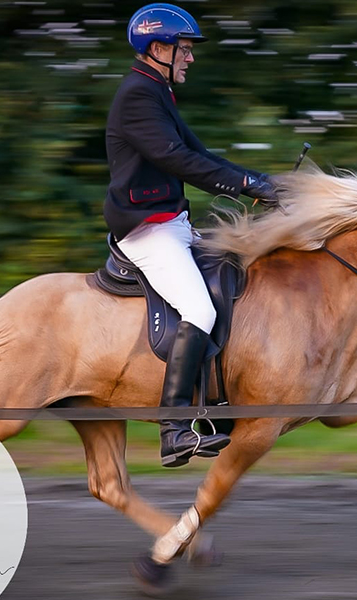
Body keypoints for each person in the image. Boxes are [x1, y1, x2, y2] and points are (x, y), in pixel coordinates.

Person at [104, 3, 277, 468]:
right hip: (145, 230)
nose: (190, 58)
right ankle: (175, 428)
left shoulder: (157, 90)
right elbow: (177, 161)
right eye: (185, 49)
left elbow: (197, 151)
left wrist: (260, 181)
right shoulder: (137, 96)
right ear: (159, 47)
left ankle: (218, 407)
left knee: (235, 279)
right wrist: (244, 185)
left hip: (172, 223)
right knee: (198, 307)